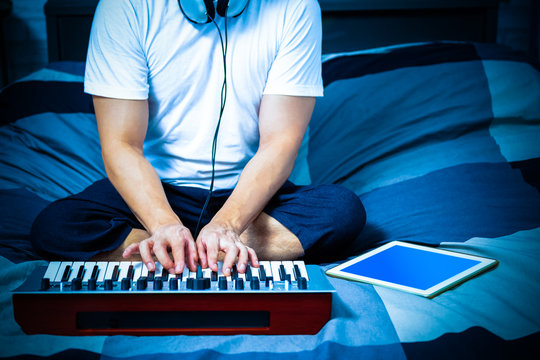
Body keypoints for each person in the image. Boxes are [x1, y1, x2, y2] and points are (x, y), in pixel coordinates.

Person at [30, 0, 366, 276]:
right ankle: (192, 249)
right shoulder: (123, 6)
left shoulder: (297, 7)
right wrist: (162, 224)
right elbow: (121, 144)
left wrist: (227, 225)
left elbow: (279, 142)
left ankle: (170, 254)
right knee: (55, 227)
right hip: (154, 194)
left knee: (342, 212)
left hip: (251, 197)